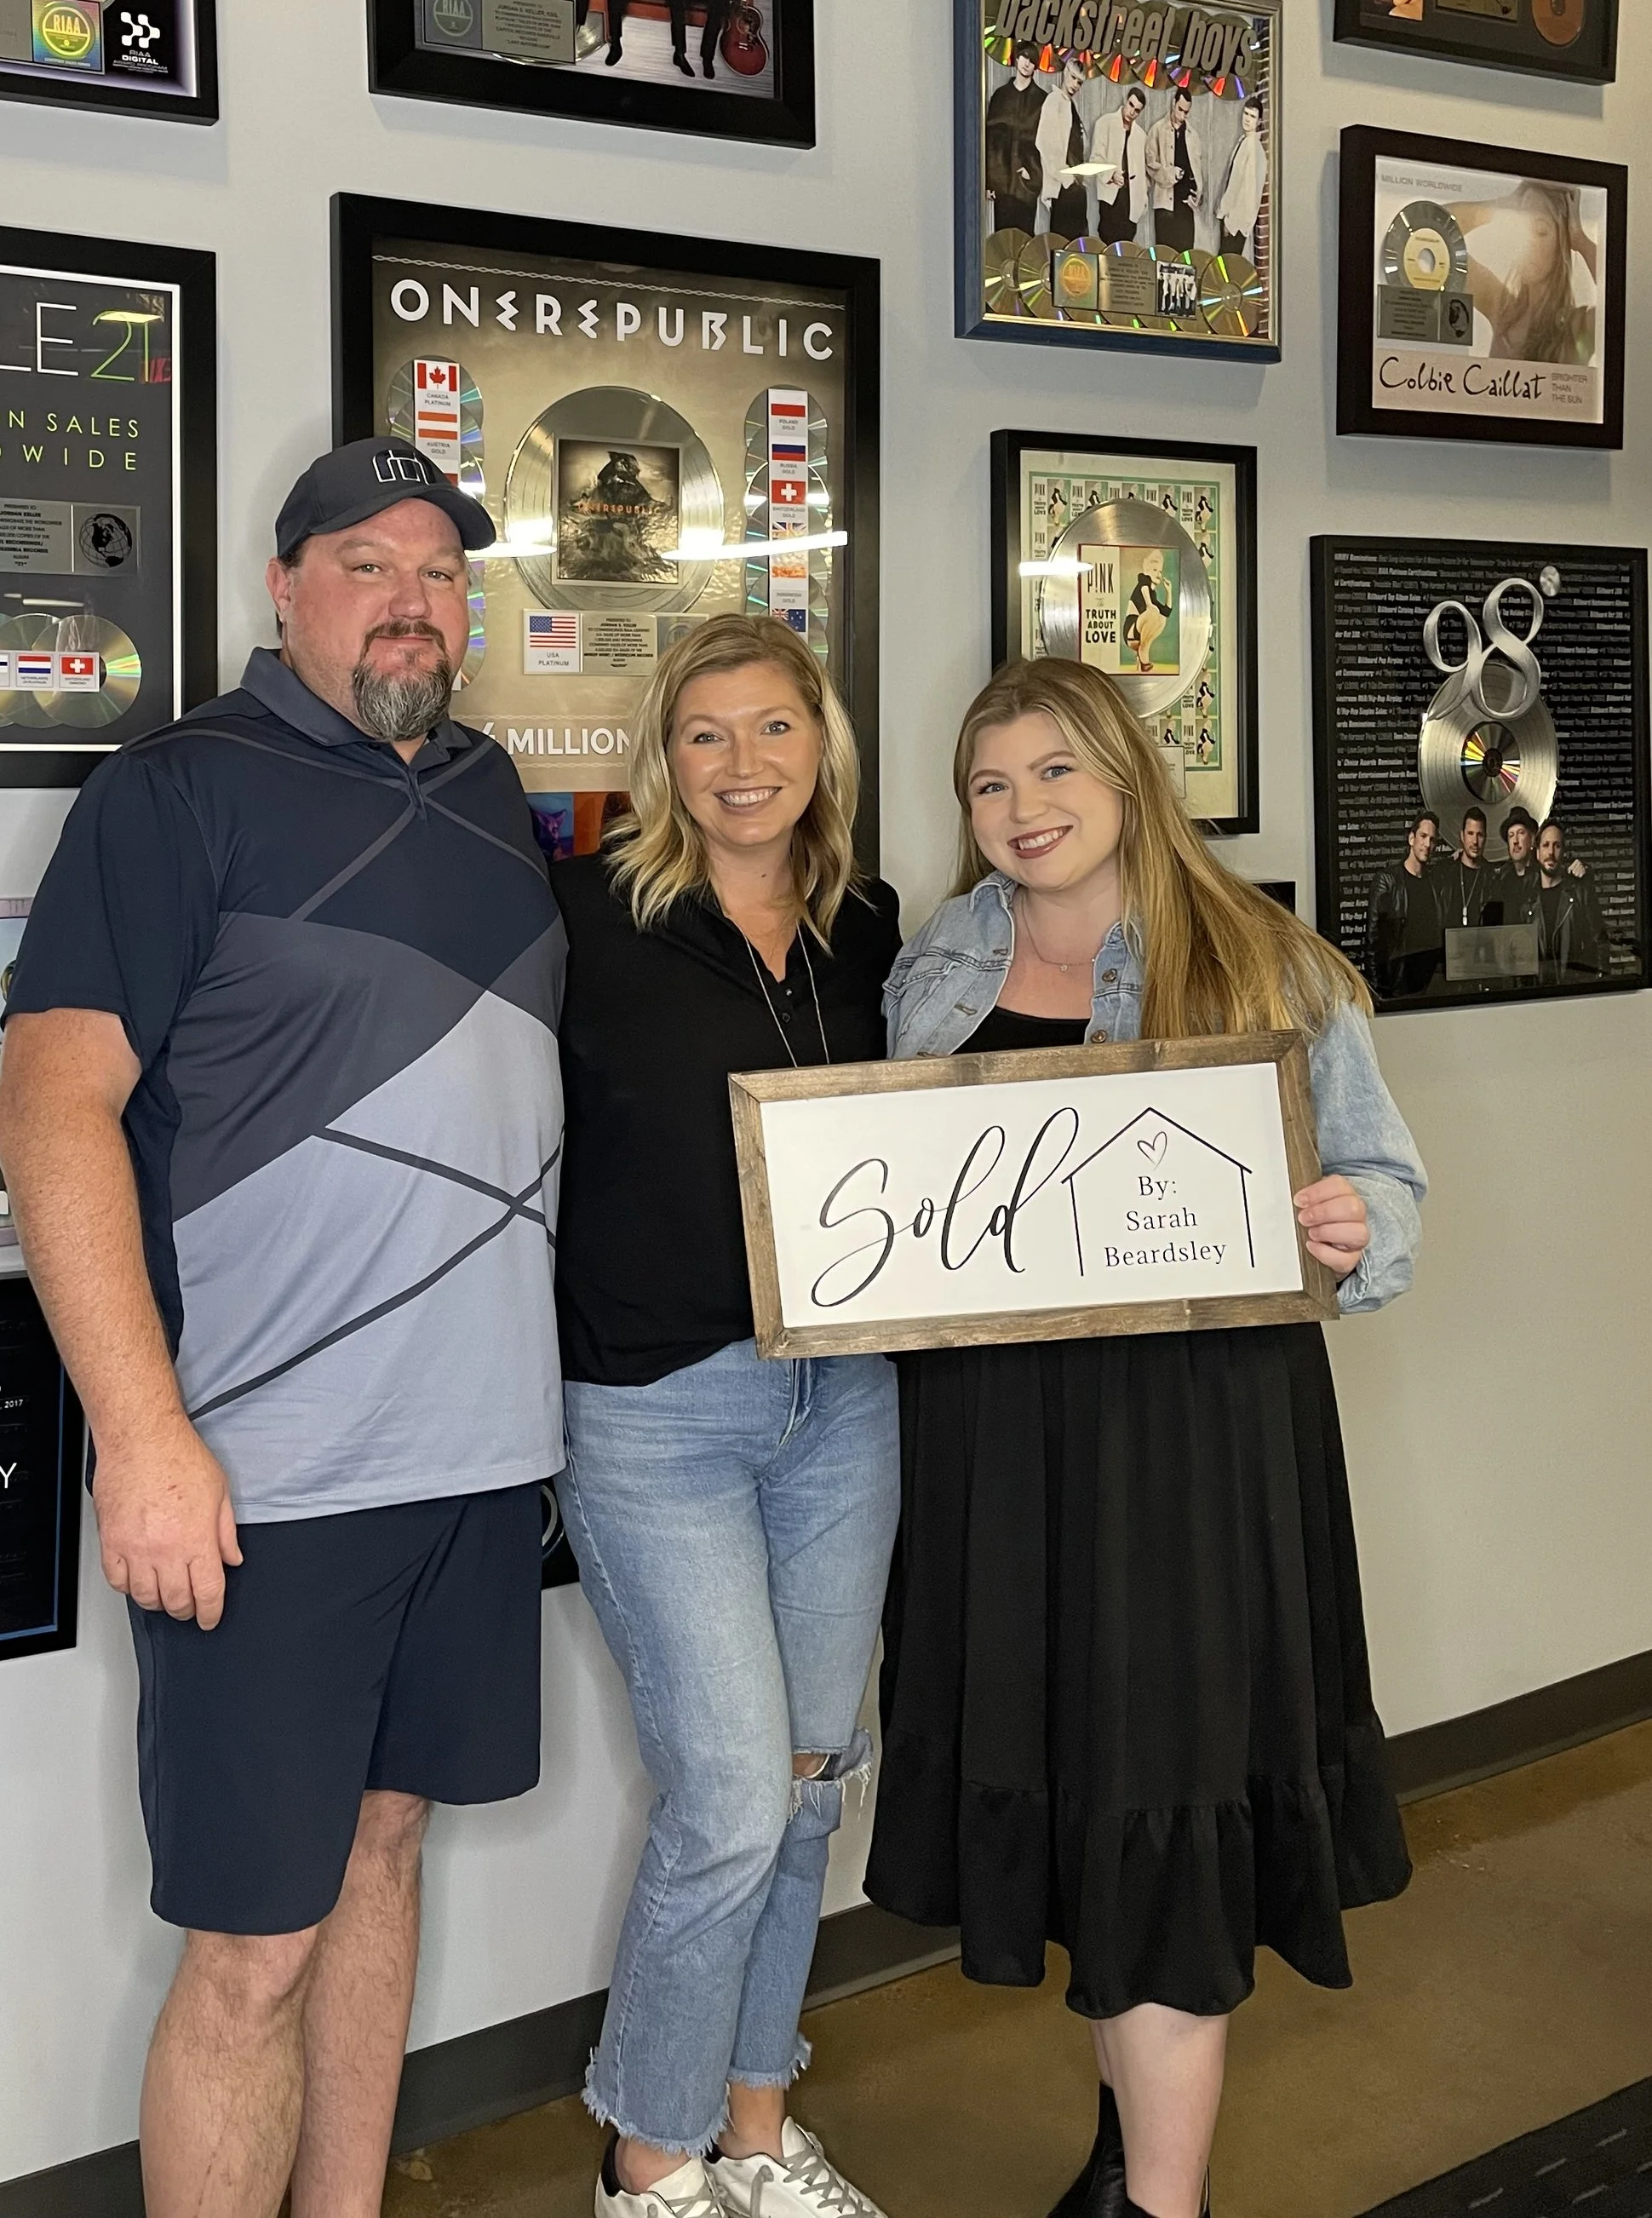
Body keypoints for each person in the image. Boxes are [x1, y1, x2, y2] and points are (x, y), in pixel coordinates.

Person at [0, 438, 565, 2218]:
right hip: (265, 1471)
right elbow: (45, 1106)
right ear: (284, 586)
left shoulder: (489, 794)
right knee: (252, 1944)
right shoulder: (176, 791)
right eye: (365, 561)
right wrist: (144, 1435)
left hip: (480, 1460)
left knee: (387, 1857)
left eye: (440, 569)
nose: (411, 597)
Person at [869, 659, 1423, 2218]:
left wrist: (1347, 1217)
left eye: (1056, 771)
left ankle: (1158, 2203)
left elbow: (1387, 1187)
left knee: (1160, 1786)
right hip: (995, 1450)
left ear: (1128, 774)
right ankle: (1128, 2150)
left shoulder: (1265, 956)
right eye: (991, 782)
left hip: (1193, 1448)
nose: (1024, 808)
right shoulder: (934, 967)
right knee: (1071, 1778)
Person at [549, 614, 900, 2218]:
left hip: (844, 1399)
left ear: (820, 746)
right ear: (662, 760)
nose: (743, 761)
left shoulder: (875, 930)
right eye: (706, 732)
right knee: (735, 1794)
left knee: (816, 1775)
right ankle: (650, 2153)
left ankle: (759, 2129)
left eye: (773, 727)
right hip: (654, 1408)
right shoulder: (583, 922)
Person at [1454, 182, 1599, 367]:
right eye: (1522, 227)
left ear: (1561, 243)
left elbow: (1627, 305)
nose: (1529, 242)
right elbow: (1431, 233)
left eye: (1541, 231)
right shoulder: (1501, 307)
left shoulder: (1579, 325)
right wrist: (1504, 205)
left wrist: (1580, 239)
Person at [1367, 809, 1444, 999]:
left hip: (1429, 988)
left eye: (1432, 839)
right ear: (1412, 839)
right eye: (1423, 836)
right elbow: (1373, 943)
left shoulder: (1435, 882)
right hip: (1397, 988)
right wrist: (1379, 995)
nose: (1427, 844)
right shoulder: (1387, 881)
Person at [985, 46, 1046, 240]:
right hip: (1002, 180)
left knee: (1024, 241)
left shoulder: (1042, 100)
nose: (1027, 64)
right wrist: (989, 181)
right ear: (1017, 59)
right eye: (1024, 58)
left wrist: (1034, 174)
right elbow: (990, 140)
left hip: (1027, 183)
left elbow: (1048, 143)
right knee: (1002, 241)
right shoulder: (1001, 96)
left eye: (1032, 60)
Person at [1535, 819, 1608, 980]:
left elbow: (1600, 940)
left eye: (1557, 846)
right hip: (1537, 996)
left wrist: (1600, 984)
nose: (1550, 853)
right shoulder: (1529, 899)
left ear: (1564, 852)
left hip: (1573, 993)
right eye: (1546, 845)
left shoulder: (1579, 893)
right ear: (1537, 852)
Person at [1036, 55, 1093, 239]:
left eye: (1080, 82)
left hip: (1075, 187)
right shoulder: (1054, 101)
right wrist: (1066, 180)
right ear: (1065, 74)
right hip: (1063, 188)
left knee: (1078, 249)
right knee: (1063, 247)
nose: (1075, 85)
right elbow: (1045, 145)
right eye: (1073, 78)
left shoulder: (1071, 106)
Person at [1089, 85, 1150, 245]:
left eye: (1137, 110)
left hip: (1131, 202)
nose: (1132, 112)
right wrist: (1111, 174)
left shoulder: (1141, 136)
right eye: (1131, 105)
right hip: (1110, 197)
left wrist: (1142, 200)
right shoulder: (1105, 123)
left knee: (1127, 248)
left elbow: (1142, 172)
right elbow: (1096, 158)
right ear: (1125, 100)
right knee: (1107, 244)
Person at [1145, 84, 1202, 253]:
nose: (1183, 115)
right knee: (1164, 255)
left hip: (1185, 206)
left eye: (1186, 112)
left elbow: (1198, 169)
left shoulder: (1193, 135)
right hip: (1164, 204)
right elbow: (1150, 164)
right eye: (1180, 109)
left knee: (1186, 256)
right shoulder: (1157, 129)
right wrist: (1170, 174)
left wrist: (1199, 194)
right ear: (1173, 103)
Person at [1215, 101, 1268, 263]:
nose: (1247, 119)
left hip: (1235, 222)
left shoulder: (1252, 148)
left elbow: (1241, 188)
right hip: (1235, 221)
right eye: (1246, 114)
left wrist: (1227, 217)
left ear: (1259, 121)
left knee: (1226, 269)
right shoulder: (1244, 142)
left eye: (1252, 116)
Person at [1436, 807, 1496, 931]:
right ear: (1462, 836)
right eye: (1470, 834)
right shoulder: (1444, 871)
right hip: (1447, 948)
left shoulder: (1492, 878)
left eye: (1480, 835)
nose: (1475, 841)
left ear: (1485, 838)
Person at [1493, 807, 1542, 931]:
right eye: (1511, 836)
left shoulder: (1544, 876)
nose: (1515, 841)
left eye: (1520, 833)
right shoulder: (1499, 880)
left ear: (1531, 839)